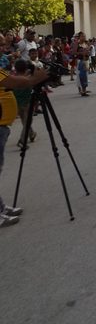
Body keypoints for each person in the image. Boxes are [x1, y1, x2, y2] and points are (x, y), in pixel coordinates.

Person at [0, 32, 49, 228]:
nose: (5, 48)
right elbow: (13, 82)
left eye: (5, 44)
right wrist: (33, 79)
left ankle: (1, 207)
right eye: (2, 45)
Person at [72, 32, 91, 96]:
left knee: (85, 75)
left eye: (84, 36)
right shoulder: (76, 44)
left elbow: (88, 51)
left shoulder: (86, 43)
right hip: (80, 61)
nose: (84, 37)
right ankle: (81, 90)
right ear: (79, 37)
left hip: (86, 60)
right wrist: (82, 53)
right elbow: (74, 52)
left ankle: (84, 89)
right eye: (82, 36)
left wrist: (88, 52)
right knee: (80, 75)